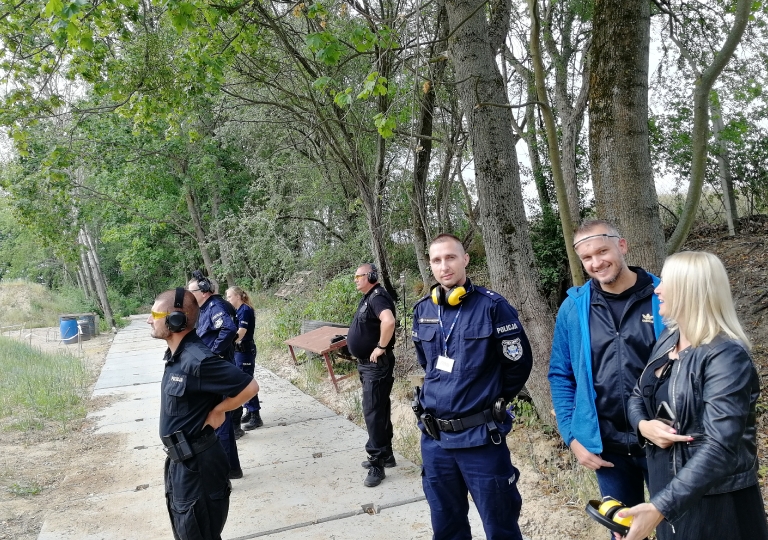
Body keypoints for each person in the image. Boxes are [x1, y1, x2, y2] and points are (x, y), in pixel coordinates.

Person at [617, 251, 767, 540]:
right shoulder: (668, 338)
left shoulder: (726, 355)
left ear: (690, 290)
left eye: (667, 282)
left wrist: (659, 507)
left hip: (717, 502)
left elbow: (721, 447)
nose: (657, 288)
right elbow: (637, 394)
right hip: (669, 489)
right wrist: (643, 426)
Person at [412, 233, 532, 540]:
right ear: (430, 265)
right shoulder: (423, 310)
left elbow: (517, 364)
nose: (444, 266)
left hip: (480, 440)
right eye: (437, 260)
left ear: (465, 259)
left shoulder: (492, 307)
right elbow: (427, 365)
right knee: (447, 526)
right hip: (436, 442)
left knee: (501, 526)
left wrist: (493, 400)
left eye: (451, 257)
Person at [548, 220, 664, 514]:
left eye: (603, 251)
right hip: (608, 449)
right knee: (622, 531)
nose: (596, 263)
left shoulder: (664, 296)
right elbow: (561, 375)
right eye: (587, 257)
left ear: (621, 246)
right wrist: (572, 438)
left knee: (678, 530)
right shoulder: (574, 308)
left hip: (661, 442)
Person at [148, 288, 258, 540]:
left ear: (175, 319)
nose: (148, 319)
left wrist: (220, 410)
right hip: (181, 461)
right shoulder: (176, 356)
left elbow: (249, 386)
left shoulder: (198, 359)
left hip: (199, 464)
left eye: (154, 313)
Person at [187, 271, 244, 479]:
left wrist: (214, 353)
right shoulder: (205, 308)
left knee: (217, 421)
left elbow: (228, 330)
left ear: (203, 292)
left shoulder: (215, 306)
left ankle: (222, 473)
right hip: (214, 370)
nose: (188, 295)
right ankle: (231, 469)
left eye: (191, 291)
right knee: (223, 423)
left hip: (216, 371)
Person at [345, 263, 397, 488]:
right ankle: (386, 454)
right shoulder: (369, 296)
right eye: (355, 276)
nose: (356, 279)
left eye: (359, 276)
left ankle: (377, 463)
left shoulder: (377, 297)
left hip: (376, 365)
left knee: (372, 412)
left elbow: (389, 321)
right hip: (368, 366)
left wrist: (380, 346)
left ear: (372, 276)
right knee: (379, 409)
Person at [225, 286, 263, 431]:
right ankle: (249, 410)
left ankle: (256, 416)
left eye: (229, 296)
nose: (228, 299)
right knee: (241, 381)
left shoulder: (245, 310)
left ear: (238, 296)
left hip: (244, 350)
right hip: (238, 350)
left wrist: (228, 341)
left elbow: (241, 332)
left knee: (246, 382)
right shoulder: (237, 311)